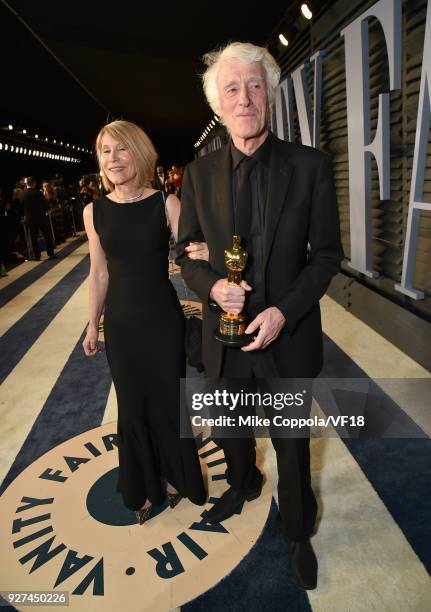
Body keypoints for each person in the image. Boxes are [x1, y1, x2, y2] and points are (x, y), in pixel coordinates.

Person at [176, 42, 343, 589]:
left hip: (286, 337)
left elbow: (325, 257)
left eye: (254, 87)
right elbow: (186, 252)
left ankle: (296, 529)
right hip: (222, 339)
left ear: (268, 96)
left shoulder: (310, 166)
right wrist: (212, 286)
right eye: (232, 89)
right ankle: (242, 483)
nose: (244, 98)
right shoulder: (197, 176)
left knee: (291, 447)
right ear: (218, 106)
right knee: (231, 431)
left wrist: (283, 313)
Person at [82, 119, 208, 524]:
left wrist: (208, 258)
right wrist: (91, 324)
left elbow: (192, 256)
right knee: (132, 405)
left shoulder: (166, 203)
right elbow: (98, 273)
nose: (113, 159)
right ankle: (144, 484)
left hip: (162, 320)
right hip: (120, 324)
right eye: (105, 151)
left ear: (139, 153)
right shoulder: (93, 211)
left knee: (169, 400)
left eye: (121, 149)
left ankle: (177, 477)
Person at [19, 177, 56, 261]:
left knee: (33, 238)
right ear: (34, 183)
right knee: (47, 235)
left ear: (27, 184)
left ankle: (37, 256)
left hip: (30, 219)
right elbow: (45, 205)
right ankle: (50, 253)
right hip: (41, 217)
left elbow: (21, 208)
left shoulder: (22, 194)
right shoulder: (38, 193)